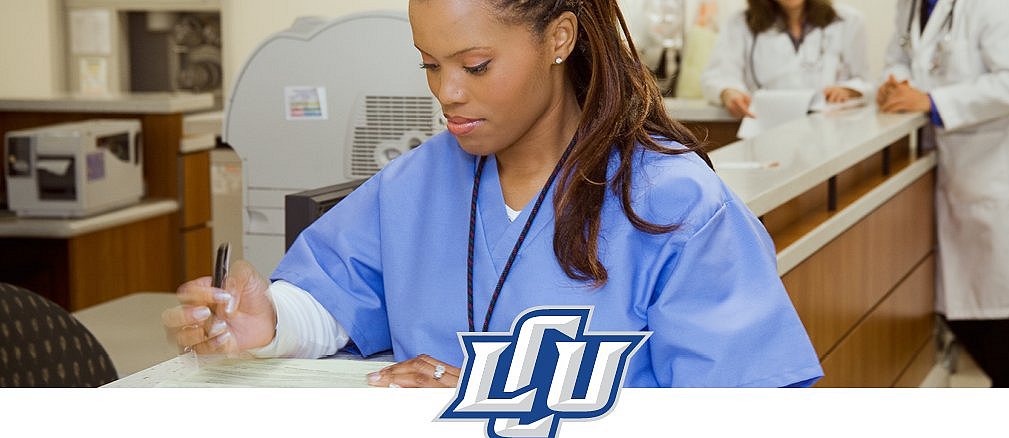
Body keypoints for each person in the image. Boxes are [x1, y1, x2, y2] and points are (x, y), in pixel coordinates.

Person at [162, 0, 823, 388]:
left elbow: (746, 433)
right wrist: (270, 322)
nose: (447, 92)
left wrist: (493, 398)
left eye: (475, 66)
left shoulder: (672, 204)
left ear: (559, 39)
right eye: (430, 64)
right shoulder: (416, 186)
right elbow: (339, 294)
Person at [877, 0, 1009, 387]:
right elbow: (899, 55)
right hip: (957, 180)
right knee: (976, 328)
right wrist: (896, 81)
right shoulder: (913, 4)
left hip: (998, 181)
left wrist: (933, 101)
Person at [701, 0, 870, 119]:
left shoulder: (848, 21)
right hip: (767, 131)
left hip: (830, 131)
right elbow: (717, 77)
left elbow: (865, 81)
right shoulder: (740, 23)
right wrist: (728, 92)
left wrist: (850, 89)